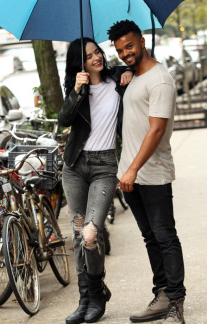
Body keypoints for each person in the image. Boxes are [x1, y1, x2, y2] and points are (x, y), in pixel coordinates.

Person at [107, 20, 186, 324]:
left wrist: (132, 168)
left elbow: (155, 131)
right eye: (120, 50)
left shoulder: (160, 79)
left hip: (152, 173)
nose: (125, 53)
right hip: (131, 174)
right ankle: (162, 295)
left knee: (165, 237)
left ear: (141, 41)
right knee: (151, 238)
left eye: (129, 46)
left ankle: (176, 302)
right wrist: (126, 171)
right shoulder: (135, 77)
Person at [58, 37, 133, 324]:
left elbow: (138, 71)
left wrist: (129, 73)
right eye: (89, 56)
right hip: (75, 166)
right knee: (79, 235)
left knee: (91, 233)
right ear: (80, 63)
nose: (96, 58)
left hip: (105, 166)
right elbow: (63, 120)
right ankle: (85, 299)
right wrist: (77, 91)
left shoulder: (117, 79)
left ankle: (98, 290)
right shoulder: (77, 88)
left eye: (97, 52)